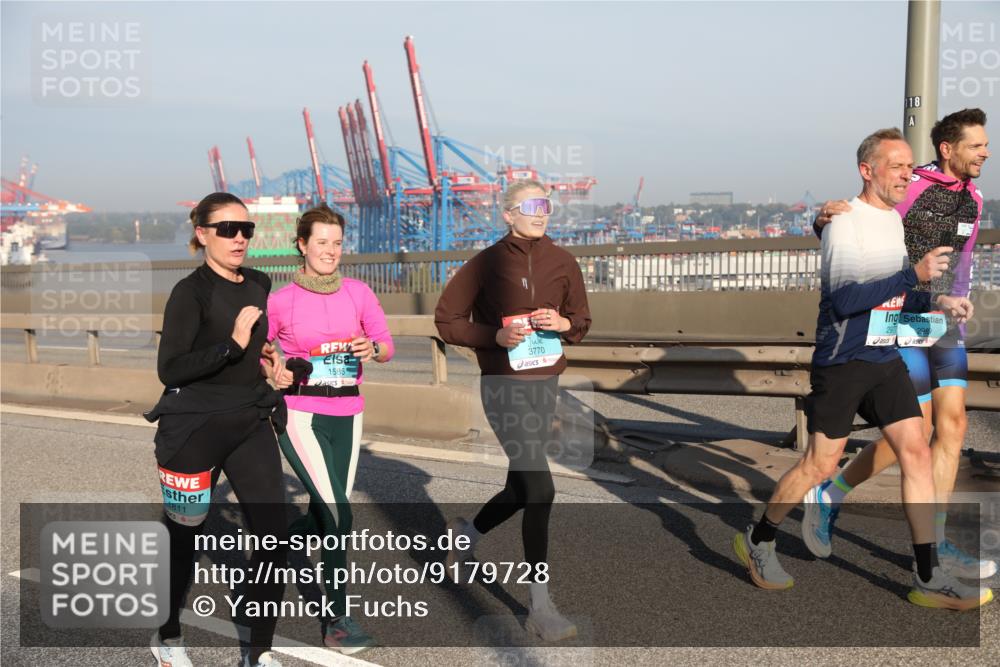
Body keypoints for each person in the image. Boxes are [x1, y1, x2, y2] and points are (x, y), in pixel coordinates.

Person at [732, 129, 992, 610]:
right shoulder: (844, 223)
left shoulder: (894, 221)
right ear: (866, 171)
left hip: (884, 355)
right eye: (895, 166)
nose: (905, 175)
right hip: (843, 359)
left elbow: (897, 295)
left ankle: (928, 576)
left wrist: (940, 302)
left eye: (909, 167)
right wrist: (912, 275)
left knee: (915, 452)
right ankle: (759, 536)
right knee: (819, 464)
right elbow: (847, 299)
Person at [804, 109, 995, 580]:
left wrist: (958, 302)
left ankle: (936, 544)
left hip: (946, 317)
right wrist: (821, 218)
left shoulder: (973, 196)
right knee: (916, 426)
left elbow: (963, 261)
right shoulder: (914, 184)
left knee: (954, 426)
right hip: (904, 313)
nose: (986, 153)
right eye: (977, 145)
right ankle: (831, 493)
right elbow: (866, 215)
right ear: (948, 149)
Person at [435, 179, 592, 641]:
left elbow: (582, 320)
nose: (541, 212)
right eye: (530, 205)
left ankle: (464, 536)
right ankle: (539, 606)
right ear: (508, 213)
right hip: (504, 387)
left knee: (521, 486)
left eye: (546, 204)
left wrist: (564, 324)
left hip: (546, 385)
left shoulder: (563, 261)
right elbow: (447, 320)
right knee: (541, 488)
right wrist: (494, 337)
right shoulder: (485, 264)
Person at [145, 192, 287, 667]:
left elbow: (258, 352)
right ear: (202, 233)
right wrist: (232, 345)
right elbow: (171, 368)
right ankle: (166, 637)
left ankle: (260, 653)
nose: (240, 238)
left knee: (274, 536)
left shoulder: (260, 282)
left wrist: (271, 365)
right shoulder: (190, 292)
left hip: (250, 421)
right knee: (184, 538)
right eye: (228, 229)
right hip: (193, 430)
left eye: (246, 229)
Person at [266, 204, 393, 655]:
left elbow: (386, 344)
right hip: (300, 414)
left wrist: (371, 346)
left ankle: (277, 549)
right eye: (321, 242)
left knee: (325, 512)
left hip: (349, 414)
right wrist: (274, 369)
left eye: (337, 242)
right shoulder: (280, 300)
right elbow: (263, 350)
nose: (330, 251)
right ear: (302, 245)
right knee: (340, 515)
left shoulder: (358, 292)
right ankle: (338, 620)